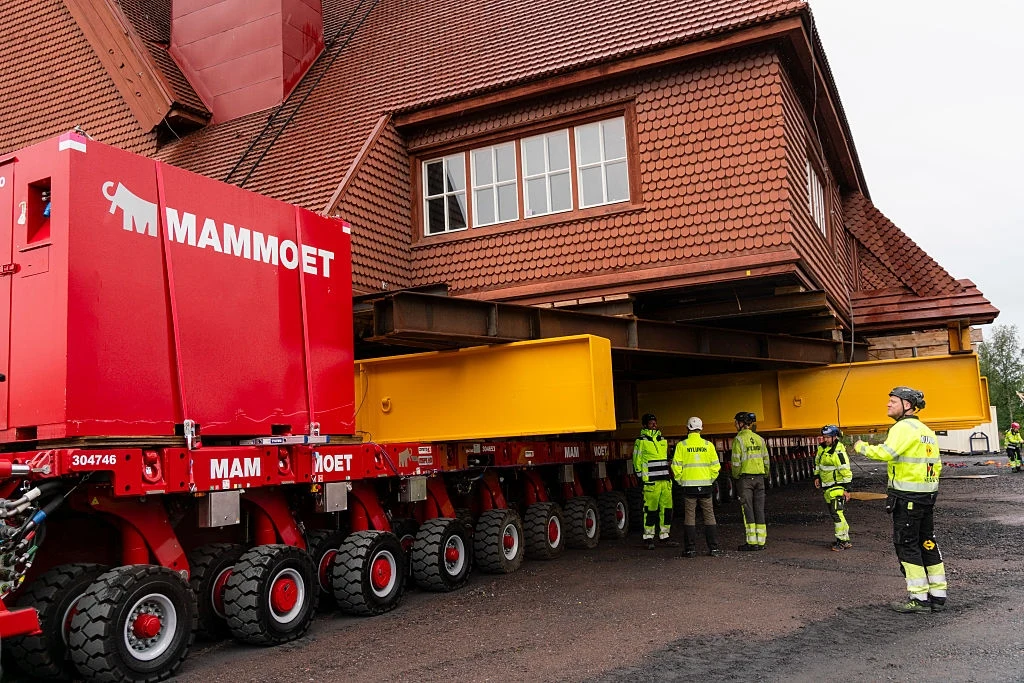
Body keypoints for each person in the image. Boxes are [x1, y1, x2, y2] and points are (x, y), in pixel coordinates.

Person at [854, 386, 946, 613]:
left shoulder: (903, 428)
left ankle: (919, 599)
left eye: (893, 401)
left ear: (908, 405)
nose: (888, 404)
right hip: (926, 497)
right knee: (928, 543)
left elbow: (886, 453)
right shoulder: (925, 430)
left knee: (907, 545)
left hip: (907, 499)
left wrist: (861, 446)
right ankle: (937, 595)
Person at [671, 417, 723, 557]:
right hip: (706, 486)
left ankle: (690, 549)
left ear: (688, 428)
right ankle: (714, 548)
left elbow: (675, 467)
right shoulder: (708, 445)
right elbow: (716, 467)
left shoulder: (682, 445)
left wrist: (681, 481)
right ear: (701, 428)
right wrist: (710, 480)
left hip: (689, 487)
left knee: (690, 517)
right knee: (709, 516)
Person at [633, 413, 675, 549]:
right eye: (651, 423)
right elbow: (636, 460)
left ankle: (665, 536)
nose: (654, 425)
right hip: (651, 483)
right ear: (645, 425)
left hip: (664, 481)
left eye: (655, 422)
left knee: (667, 510)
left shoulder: (662, 440)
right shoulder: (641, 441)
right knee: (650, 511)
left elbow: (667, 459)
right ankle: (649, 537)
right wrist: (641, 477)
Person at [731, 411, 769, 551]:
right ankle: (761, 542)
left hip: (745, 479)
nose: (735, 425)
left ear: (741, 424)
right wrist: (765, 474)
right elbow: (766, 459)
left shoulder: (738, 440)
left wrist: (735, 476)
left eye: (736, 422)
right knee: (759, 509)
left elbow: (736, 462)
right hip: (760, 479)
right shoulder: (759, 439)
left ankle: (751, 542)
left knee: (748, 510)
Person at [815, 424, 853, 551]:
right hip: (827, 488)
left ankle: (842, 541)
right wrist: (817, 477)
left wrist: (847, 490)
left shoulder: (839, 452)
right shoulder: (822, 449)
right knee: (835, 513)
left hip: (837, 487)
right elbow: (817, 464)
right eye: (824, 437)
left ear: (835, 437)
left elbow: (846, 472)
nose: (825, 439)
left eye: (828, 437)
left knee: (837, 514)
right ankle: (844, 539)